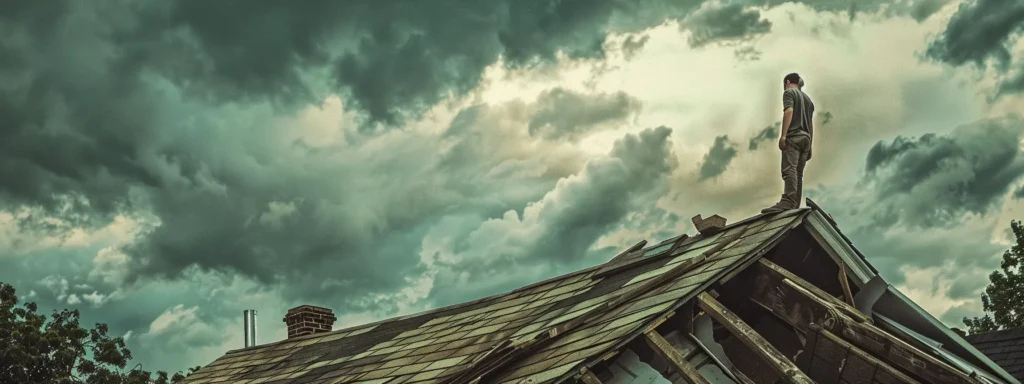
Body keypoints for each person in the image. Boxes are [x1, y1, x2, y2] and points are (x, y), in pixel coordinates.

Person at [761, 73, 815, 214]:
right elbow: (810, 123)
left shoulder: (789, 92)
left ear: (788, 82)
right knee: (798, 174)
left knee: (789, 170)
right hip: (806, 138)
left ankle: (788, 201)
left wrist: (783, 135)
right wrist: (810, 145)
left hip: (794, 136)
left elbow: (789, 111)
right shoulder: (808, 101)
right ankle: (794, 205)